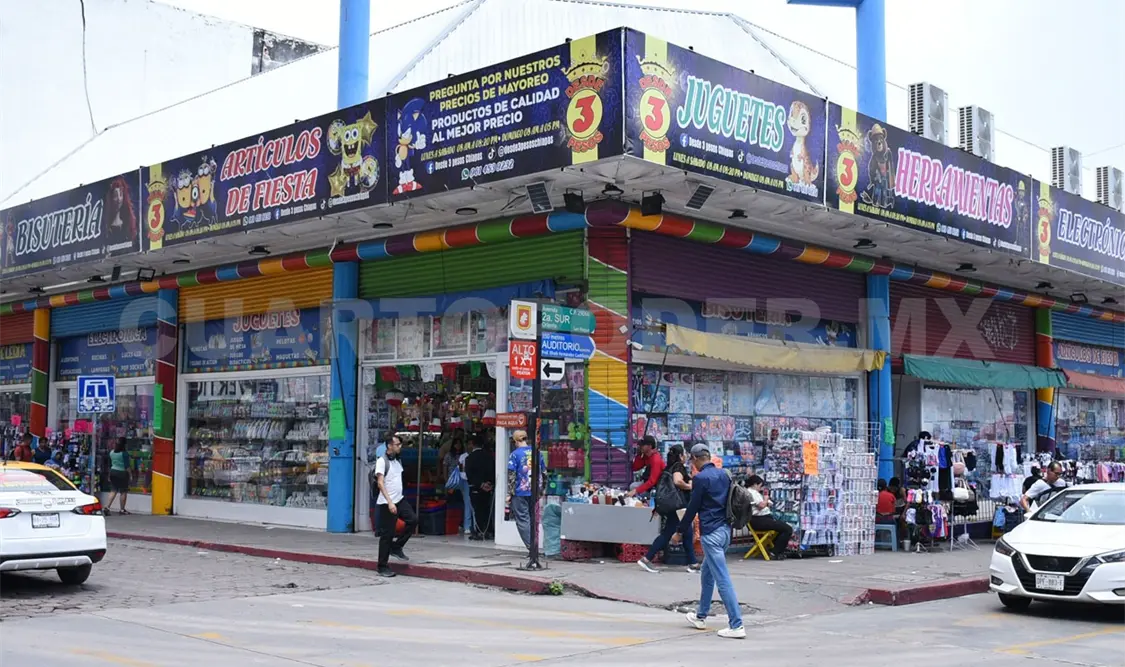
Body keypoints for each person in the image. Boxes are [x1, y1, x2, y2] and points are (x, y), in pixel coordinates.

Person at [679, 444, 744, 639]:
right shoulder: (724, 474)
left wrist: (680, 530)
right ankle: (701, 616)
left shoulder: (700, 478)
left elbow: (693, 507)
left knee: (722, 579)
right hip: (725, 531)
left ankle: (736, 625)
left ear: (696, 459)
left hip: (711, 533)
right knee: (707, 574)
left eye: (691, 460)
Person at [637, 445, 699, 573]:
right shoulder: (678, 467)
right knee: (670, 533)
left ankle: (693, 563)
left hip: (673, 505)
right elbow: (677, 481)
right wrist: (690, 486)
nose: (686, 456)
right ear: (680, 456)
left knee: (686, 532)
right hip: (678, 506)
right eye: (684, 453)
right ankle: (646, 559)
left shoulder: (669, 467)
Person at [374, 435, 417, 577]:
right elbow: (380, 483)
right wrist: (390, 502)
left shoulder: (397, 461)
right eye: (397, 444)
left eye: (400, 444)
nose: (400, 447)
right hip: (387, 503)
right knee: (387, 535)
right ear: (389, 446)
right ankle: (382, 566)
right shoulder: (382, 461)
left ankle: (397, 547)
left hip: (400, 500)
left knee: (413, 520)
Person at [506, 429, 545, 551]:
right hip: (534, 491)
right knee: (533, 519)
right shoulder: (537, 453)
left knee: (523, 520)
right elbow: (544, 473)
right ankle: (534, 546)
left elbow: (511, 475)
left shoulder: (515, 454)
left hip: (520, 491)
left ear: (516, 441)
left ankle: (532, 548)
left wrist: (509, 493)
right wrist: (542, 490)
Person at [746, 475, 794, 561]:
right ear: (755, 484)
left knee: (781, 528)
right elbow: (761, 505)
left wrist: (766, 502)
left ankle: (776, 550)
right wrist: (765, 499)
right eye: (760, 486)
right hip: (759, 520)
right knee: (787, 529)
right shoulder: (751, 493)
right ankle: (775, 552)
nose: (760, 488)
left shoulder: (753, 492)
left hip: (762, 518)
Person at [465, 434, 494, 540]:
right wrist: (489, 483)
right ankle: (488, 531)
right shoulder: (489, 456)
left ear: (472, 444)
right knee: (487, 509)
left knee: (477, 510)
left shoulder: (469, 458)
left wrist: (480, 484)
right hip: (488, 488)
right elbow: (493, 471)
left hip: (476, 488)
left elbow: (469, 475)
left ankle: (480, 531)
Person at [104, 437, 131, 515]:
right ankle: (122, 510)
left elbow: (111, 464)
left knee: (113, 490)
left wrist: (109, 474)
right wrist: (130, 475)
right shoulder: (124, 454)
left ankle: (107, 507)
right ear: (124, 444)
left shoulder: (112, 452)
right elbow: (127, 466)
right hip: (122, 473)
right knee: (123, 491)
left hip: (113, 472)